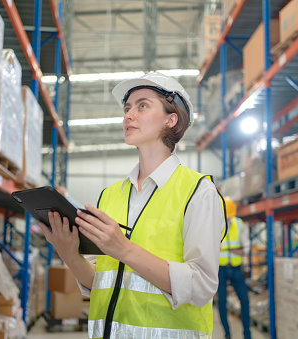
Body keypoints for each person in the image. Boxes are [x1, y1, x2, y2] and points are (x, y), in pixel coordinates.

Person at [36, 72, 226, 339]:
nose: (128, 115)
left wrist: (123, 249)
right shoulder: (110, 195)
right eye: (127, 108)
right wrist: (69, 255)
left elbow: (201, 286)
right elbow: (98, 281)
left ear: (171, 120)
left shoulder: (197, 191)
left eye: (142, 105)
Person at [217, 197, 251, 339]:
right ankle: (227, 334)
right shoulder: (215, 224)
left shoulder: (240, 224)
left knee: (245, 300)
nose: (228, 219)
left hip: (236, 268)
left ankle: (247, 334)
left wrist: (239, 250)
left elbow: (246, 247)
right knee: (222, 302)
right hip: (221, 269)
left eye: (230, 216)